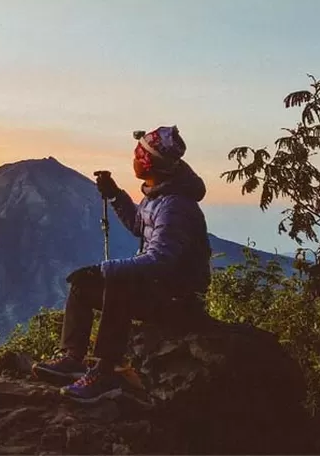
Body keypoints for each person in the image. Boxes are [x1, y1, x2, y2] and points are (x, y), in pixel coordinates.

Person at [32, 125, 212, 402]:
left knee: (119, 281)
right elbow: (139, 225)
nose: (133, 157)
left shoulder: (175, 205)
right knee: (83, 284)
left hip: (178, 299)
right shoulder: (159, 195)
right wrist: (115, 195)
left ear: (147, 161)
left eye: (138, 153)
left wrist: (105, 269)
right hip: (162, 289)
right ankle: (72, 357)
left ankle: (105, 370)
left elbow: (161, 260)